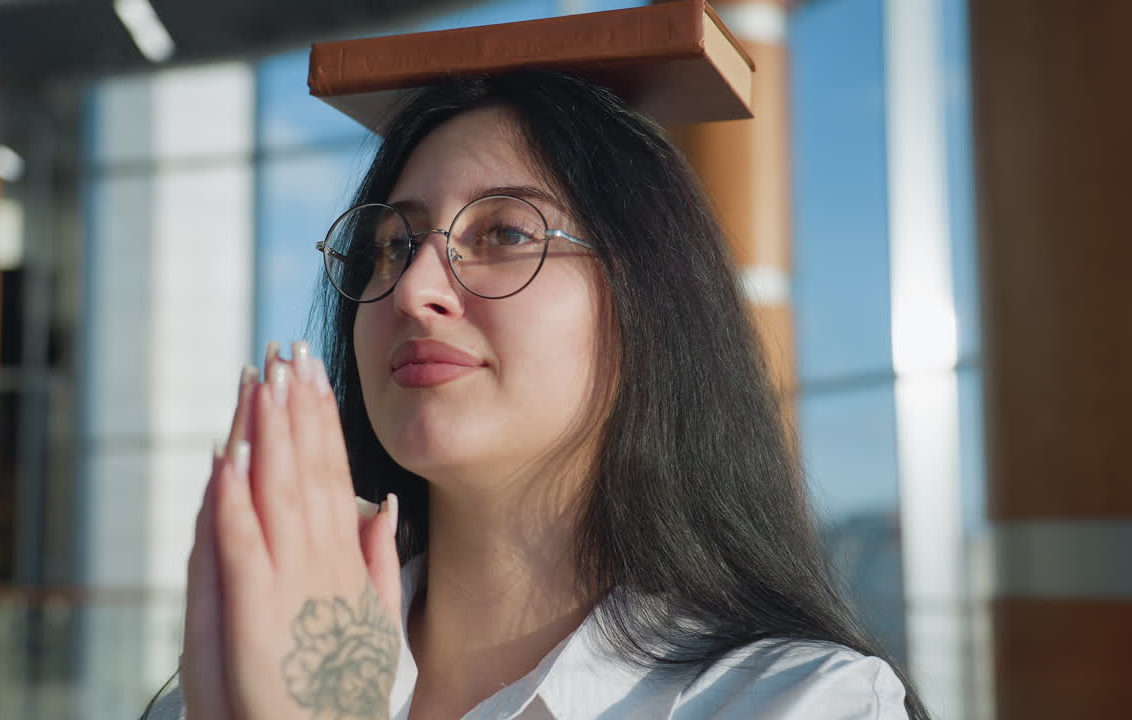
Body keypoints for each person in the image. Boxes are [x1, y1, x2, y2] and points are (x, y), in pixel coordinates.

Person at [147, 70, 931, 720]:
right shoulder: (222, 691)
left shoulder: (796, 702)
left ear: (647, 303)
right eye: (392, 245)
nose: (416, 288)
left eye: (506, 234)